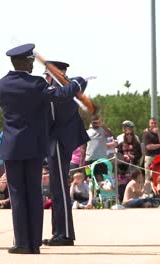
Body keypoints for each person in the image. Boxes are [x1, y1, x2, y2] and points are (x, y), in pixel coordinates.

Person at [0, 44, 87, 254]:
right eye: (30, 61)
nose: (32, 64)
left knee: (17, 195)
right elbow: (62, 94)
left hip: (12, 146)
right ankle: (34, 242)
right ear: (25, 62)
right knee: (34, 194)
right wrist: (78, 83)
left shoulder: (0, 85)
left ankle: (21, 242)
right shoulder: (36, 84)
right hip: (35, 145)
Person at [42, 61, 90, 246]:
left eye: (49, 74)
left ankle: (64, 234)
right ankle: (61, 233)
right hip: (58, 144)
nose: (46, 77)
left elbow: (77, 83)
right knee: (57, 189)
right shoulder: (67, 90)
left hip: (58, 144)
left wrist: (67, 81)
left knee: (59, 190)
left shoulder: (60, 93)